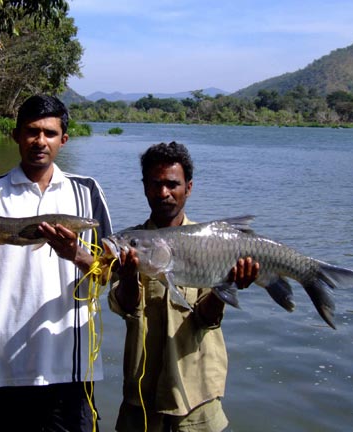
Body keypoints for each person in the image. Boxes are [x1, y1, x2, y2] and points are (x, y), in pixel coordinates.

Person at [0, 95, 112, 432]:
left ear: (64, 139)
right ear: (16, 136)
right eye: (32, 132)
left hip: (71, 366)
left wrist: (76, 255)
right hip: (5, 365)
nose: (40, 141)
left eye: (49, 133)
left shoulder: (88, 192)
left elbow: (110, 274)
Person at [108, 142, 259, 432]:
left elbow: (206, 320)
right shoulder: (129, 245)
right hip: (141, 397)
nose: (163, 193)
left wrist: (225, 284)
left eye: (172, 184)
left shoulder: (211, 244)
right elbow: (125, 309)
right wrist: (128, 277)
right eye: (155, 184)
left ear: (188, 187)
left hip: (196, 397)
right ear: (144, 187)